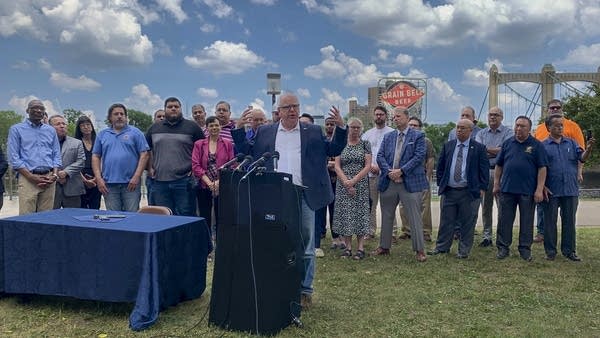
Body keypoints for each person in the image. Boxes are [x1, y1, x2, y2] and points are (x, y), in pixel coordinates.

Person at [232, 93, 347, 309]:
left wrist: (341, 128)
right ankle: (276, 284)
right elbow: (246, 151)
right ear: (279, 112)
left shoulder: (312, 130)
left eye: (295, 106)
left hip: (303, 194)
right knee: (274, 241)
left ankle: (305, 290)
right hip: (274, 194)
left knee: (305, 244)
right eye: (287, 107)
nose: (292, 110)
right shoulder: (266, 131)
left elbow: (334, 150)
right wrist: (239, 129)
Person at [374, 107, 429, 262]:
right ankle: (384, 246)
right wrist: (390, 172)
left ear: (406, 117)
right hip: (389, 181)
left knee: (414, 217)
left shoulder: (418, 136)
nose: (394, 119)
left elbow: (419, 157)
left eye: (397, 116)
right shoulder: (388, 137)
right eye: (393, 116)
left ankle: (419, 250)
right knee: (387, 215)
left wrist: (401, 171)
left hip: (409, 182)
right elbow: (380, 156)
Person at [429, 119, 489, 259]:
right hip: (450, 190)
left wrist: (482, 188)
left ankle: (463, 251)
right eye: (458, 128)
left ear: (471, 131)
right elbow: (441, 166)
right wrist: (441, 183)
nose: (459, 130)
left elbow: (484, 170)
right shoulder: (448, 146)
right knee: (446, 221)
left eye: (463, 128)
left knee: (467, 222)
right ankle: (442, 247)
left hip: (468, 191)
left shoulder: (478, 148)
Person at [494, 116, 548, 261]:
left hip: (527, 191)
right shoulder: (507, 143)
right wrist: (496, 184)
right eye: (517, 125)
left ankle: (525, 249)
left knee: (527, 221)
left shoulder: (537, 145)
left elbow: (542, 168)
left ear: (529, 129)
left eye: (522, 126)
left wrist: (539, 189)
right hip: (507, 190)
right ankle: (503, 248)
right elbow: (499, 165)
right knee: (504, 220)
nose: (519, 128)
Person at [541, 115, 593, 261]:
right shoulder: (542, 146)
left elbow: (581, 158)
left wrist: (588, 149)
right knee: (550, 222)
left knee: (569, 221)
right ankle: (550, 252)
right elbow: (538, 168)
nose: (560, 127)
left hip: (570, 189)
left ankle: (569, 251)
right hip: (551, 189)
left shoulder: (572, 142)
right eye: (556, 125)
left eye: (561, 125)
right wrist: (542, 185)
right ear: (548, 128)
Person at [533, 99, 585, 243]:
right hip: (548, 179)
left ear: (562, 109)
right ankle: (542, 234)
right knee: (545, 211)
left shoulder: (573, 126)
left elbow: (580, 152)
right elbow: (535, 157)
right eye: (552, 107)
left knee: (568, 215)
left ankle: (568, 246)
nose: (555, 109)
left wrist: (579, 171)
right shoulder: (539, 128)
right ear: (547, 110)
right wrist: (539, 184)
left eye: (558, 107)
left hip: (568, 179)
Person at [146, 97, 205, 215]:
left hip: (184, 181)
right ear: (165, 109)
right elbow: (146, 150)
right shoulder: (154, 128)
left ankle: (186, 235)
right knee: (164, 216)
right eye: (170, 107)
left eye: (176, 107)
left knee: (186, 215)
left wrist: (195, 170)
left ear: (180, 109)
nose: (173, 109)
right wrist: (149, 167)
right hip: (159, 182)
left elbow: (203, 150)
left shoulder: (192, 127)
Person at [92, 103, 149, 212]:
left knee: (132, 217)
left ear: (126, 117)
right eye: (116, 114)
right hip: (109, 185)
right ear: (110, 117)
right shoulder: (102, 134)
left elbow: (144, 154)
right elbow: (96, 156)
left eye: (122, 114)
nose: (119, 116)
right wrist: (99, 179)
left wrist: (137, 176)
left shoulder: (136, 133)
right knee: (113, 218)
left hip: (131, 184)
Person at [8, 99, 61, 215]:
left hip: (49, 178)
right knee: (26, 217)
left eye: (41, 108)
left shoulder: (51, 130)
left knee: (46, 217)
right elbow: (14, 158)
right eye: (34, 108)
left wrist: (55, 175)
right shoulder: (16, 129)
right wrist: (31, 177)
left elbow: (56, 155)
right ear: (27, 111)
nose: (38, 110)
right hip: (28, 179)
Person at [332, 118, 371, 260]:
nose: (355, 130)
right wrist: (346, 182)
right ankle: (348, 248)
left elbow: (367, 165)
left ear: (361, 129)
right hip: (343, 184)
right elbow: (337, 165)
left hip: (360, 184)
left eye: (358, 127)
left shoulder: (366, 144)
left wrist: (354, 181)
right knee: (346, 215)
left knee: (360, 214)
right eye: (352, 127)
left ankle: (360, 248)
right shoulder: (340, 143)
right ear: (348, 128)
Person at [474, 107, 513, 247]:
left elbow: (507, 150)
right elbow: (478, 151)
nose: (492, 117)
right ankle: (487, 236)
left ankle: (502, 237)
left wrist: (487, 150)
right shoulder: (481, 133)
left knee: (502, 206)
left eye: (496, 115)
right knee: (485, 206)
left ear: (501, 117)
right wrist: (497, 150)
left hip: (502, 172)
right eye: (490, 115)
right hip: (485, 172)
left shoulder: (509, 132)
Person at [192, 116, 235, 237]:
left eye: (216, 125)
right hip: (204, 186)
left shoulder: (227, 144)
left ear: (220, 126)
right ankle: (207, 245)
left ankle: (221, 246)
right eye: (211, 125)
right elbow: (195, 166)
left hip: (222, 186)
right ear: (207, 128)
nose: (214, 128)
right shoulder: (199, 144)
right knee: (205, 216)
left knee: (221, 216)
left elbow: (231, 165)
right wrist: (209, 183)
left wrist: (218, 183)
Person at [398, 116, 435, 242]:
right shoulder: (402, 140)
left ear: (420, 128)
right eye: (411, 125)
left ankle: (425, 232)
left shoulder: (426, 141)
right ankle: (407, 230)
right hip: (405, 177)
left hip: (420, 177)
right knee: (403, 205)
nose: (412, 127)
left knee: (424, 206)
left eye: (415, 125)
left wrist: (427, 176)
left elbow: (430, 159)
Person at [361, 105, 394, 239]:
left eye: (381, 114)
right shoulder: (367, 134)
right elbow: (362, 153)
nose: (378, 116)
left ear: (386, 116)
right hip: (370, 174)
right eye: (376, 114)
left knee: (388, 205)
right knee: (371, 204)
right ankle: (370, 231)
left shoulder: (392, 133)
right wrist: (370, 167)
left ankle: (392, 232)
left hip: (387, 175)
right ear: (373, 116)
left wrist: (382, 168)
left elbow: (394, 155)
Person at [315, 116, 344, 256]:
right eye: (327, 124)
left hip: (338, 180)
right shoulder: (321, 140)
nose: (330, 127)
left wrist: (337, 166)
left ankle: (336, 236)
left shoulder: (340, 141)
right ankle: (319, 234)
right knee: (320, 210)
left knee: (335, 210)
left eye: (332, 124)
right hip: (322, 180)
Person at [49, 115, 85, 209]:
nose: (62, 126)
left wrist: (66, 173)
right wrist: (56, 175)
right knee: (51, 219)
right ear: (50, 128)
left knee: (73, 219)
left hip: (72, 187)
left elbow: (81, 162)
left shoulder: (77, 143)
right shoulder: (45, 143)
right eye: (58, 124)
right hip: (51, 187)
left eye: (64, 123)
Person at [75, 115, 101, 209]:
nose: (86, 127)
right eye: (82, 125)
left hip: (97, 177)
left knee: (95, 206)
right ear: (79, 128)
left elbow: (102, 159)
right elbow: (73, 162)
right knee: (82, 207)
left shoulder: (98, 141)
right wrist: (85, 180)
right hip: (80, 177)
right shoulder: (76, 142)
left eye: (88, 124)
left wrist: (96, 178)